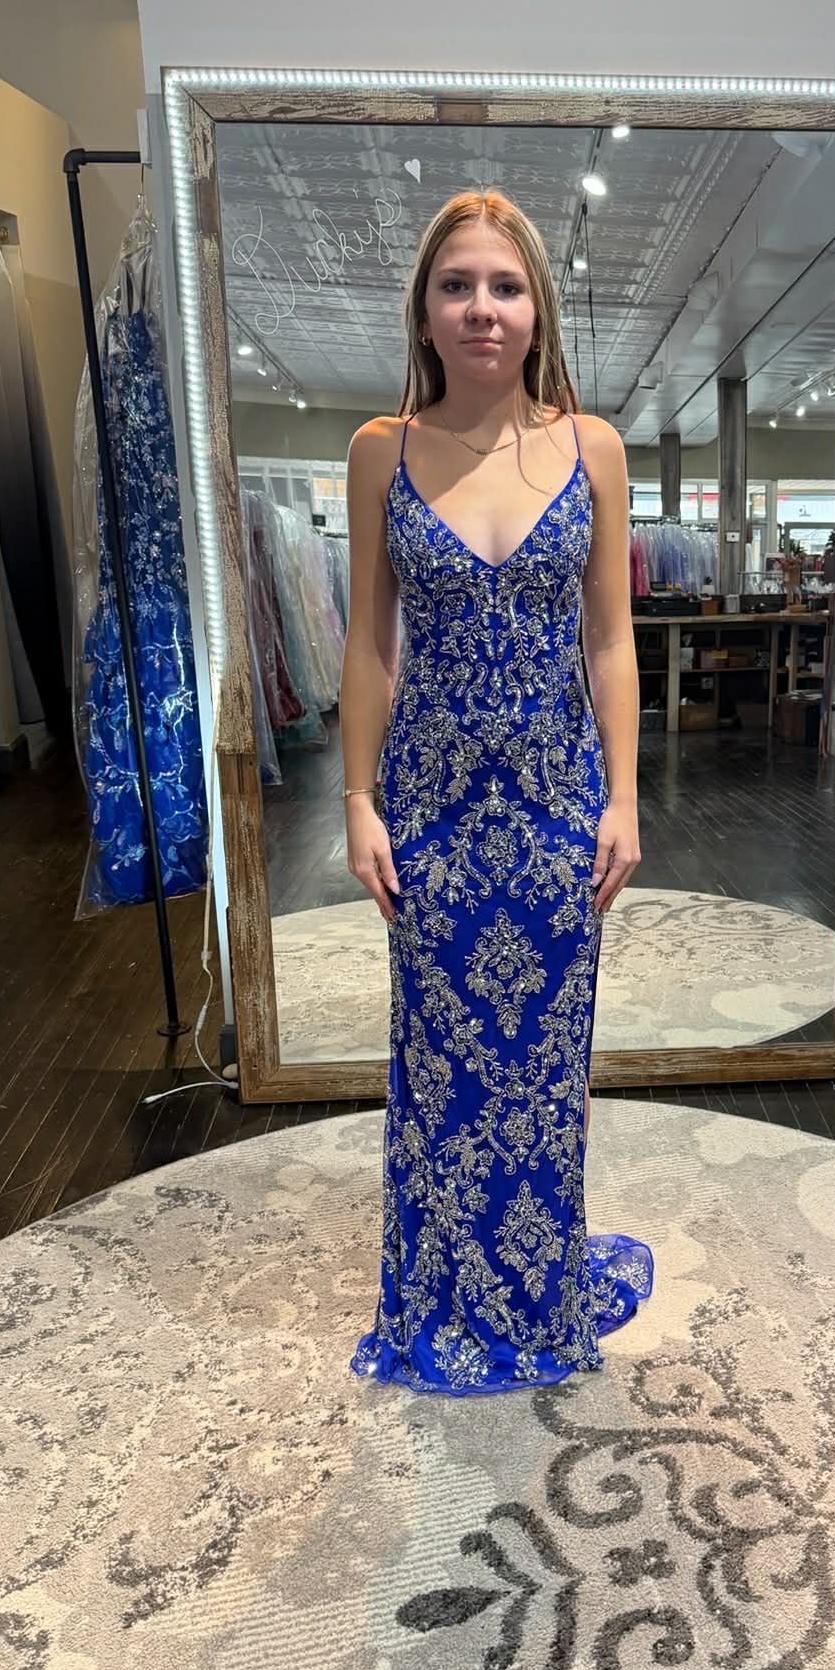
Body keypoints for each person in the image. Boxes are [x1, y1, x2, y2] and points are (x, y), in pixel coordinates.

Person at [339, 188, 654, 1394]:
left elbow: (612, 642)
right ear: (425, 309)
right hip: (428, 807)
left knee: (539, 1065)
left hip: (553, 804)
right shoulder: (381, 451)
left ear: (537, 310)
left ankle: (532, 1291)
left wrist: (624, 796)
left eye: (505, 286)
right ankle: (437, 1291)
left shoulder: (594, 448)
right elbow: (370, 646)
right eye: (458, 284)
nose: (483, 307)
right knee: (438, 1057)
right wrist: (360, 800)